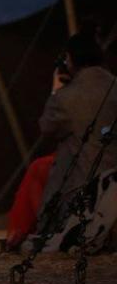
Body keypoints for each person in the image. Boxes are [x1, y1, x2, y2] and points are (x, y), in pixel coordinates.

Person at [34, 28, 117, 238]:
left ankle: (35, 231)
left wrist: (56, 90)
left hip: (83, 194)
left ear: (70, 60)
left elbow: (47, 128)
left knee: (38, 171)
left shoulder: (65, 98)